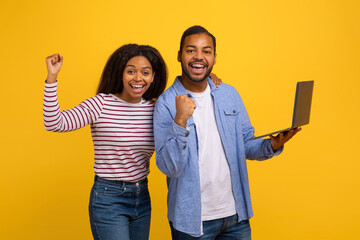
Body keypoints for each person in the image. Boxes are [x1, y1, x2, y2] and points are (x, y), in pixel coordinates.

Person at [43, 44, 221, 240]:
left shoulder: (156, 108)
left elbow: (187, 123)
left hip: (141, 197)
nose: (138, 78)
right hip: (108, 197)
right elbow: (55, 123)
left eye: (145, 72)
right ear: (121, 73)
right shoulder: (100, 104)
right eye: (131, 71)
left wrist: (207, 83)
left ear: (153, 77)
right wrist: (52, 78)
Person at [153, 25, 300, 240]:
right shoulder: (166, 104)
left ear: (214, 58)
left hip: (235, 216)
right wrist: (180, 120)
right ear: (179, 55)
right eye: (191, 50)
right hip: (192, 220)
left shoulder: (229, 94)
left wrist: (274, 144)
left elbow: (246, 144)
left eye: (206, 51)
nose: (199, 57)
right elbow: (169, 168)